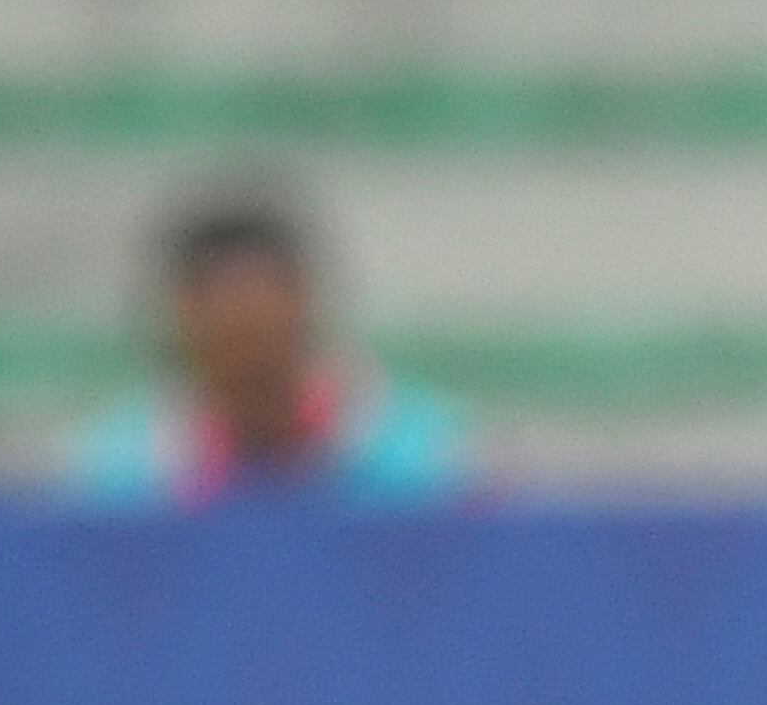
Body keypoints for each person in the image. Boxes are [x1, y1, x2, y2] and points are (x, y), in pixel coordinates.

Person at [62, 178, 472, 506]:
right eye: (229, 319)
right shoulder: (122, 474)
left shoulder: (426, 461)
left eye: (262, 315)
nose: (250, 347)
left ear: (305, 303)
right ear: (182, 316)